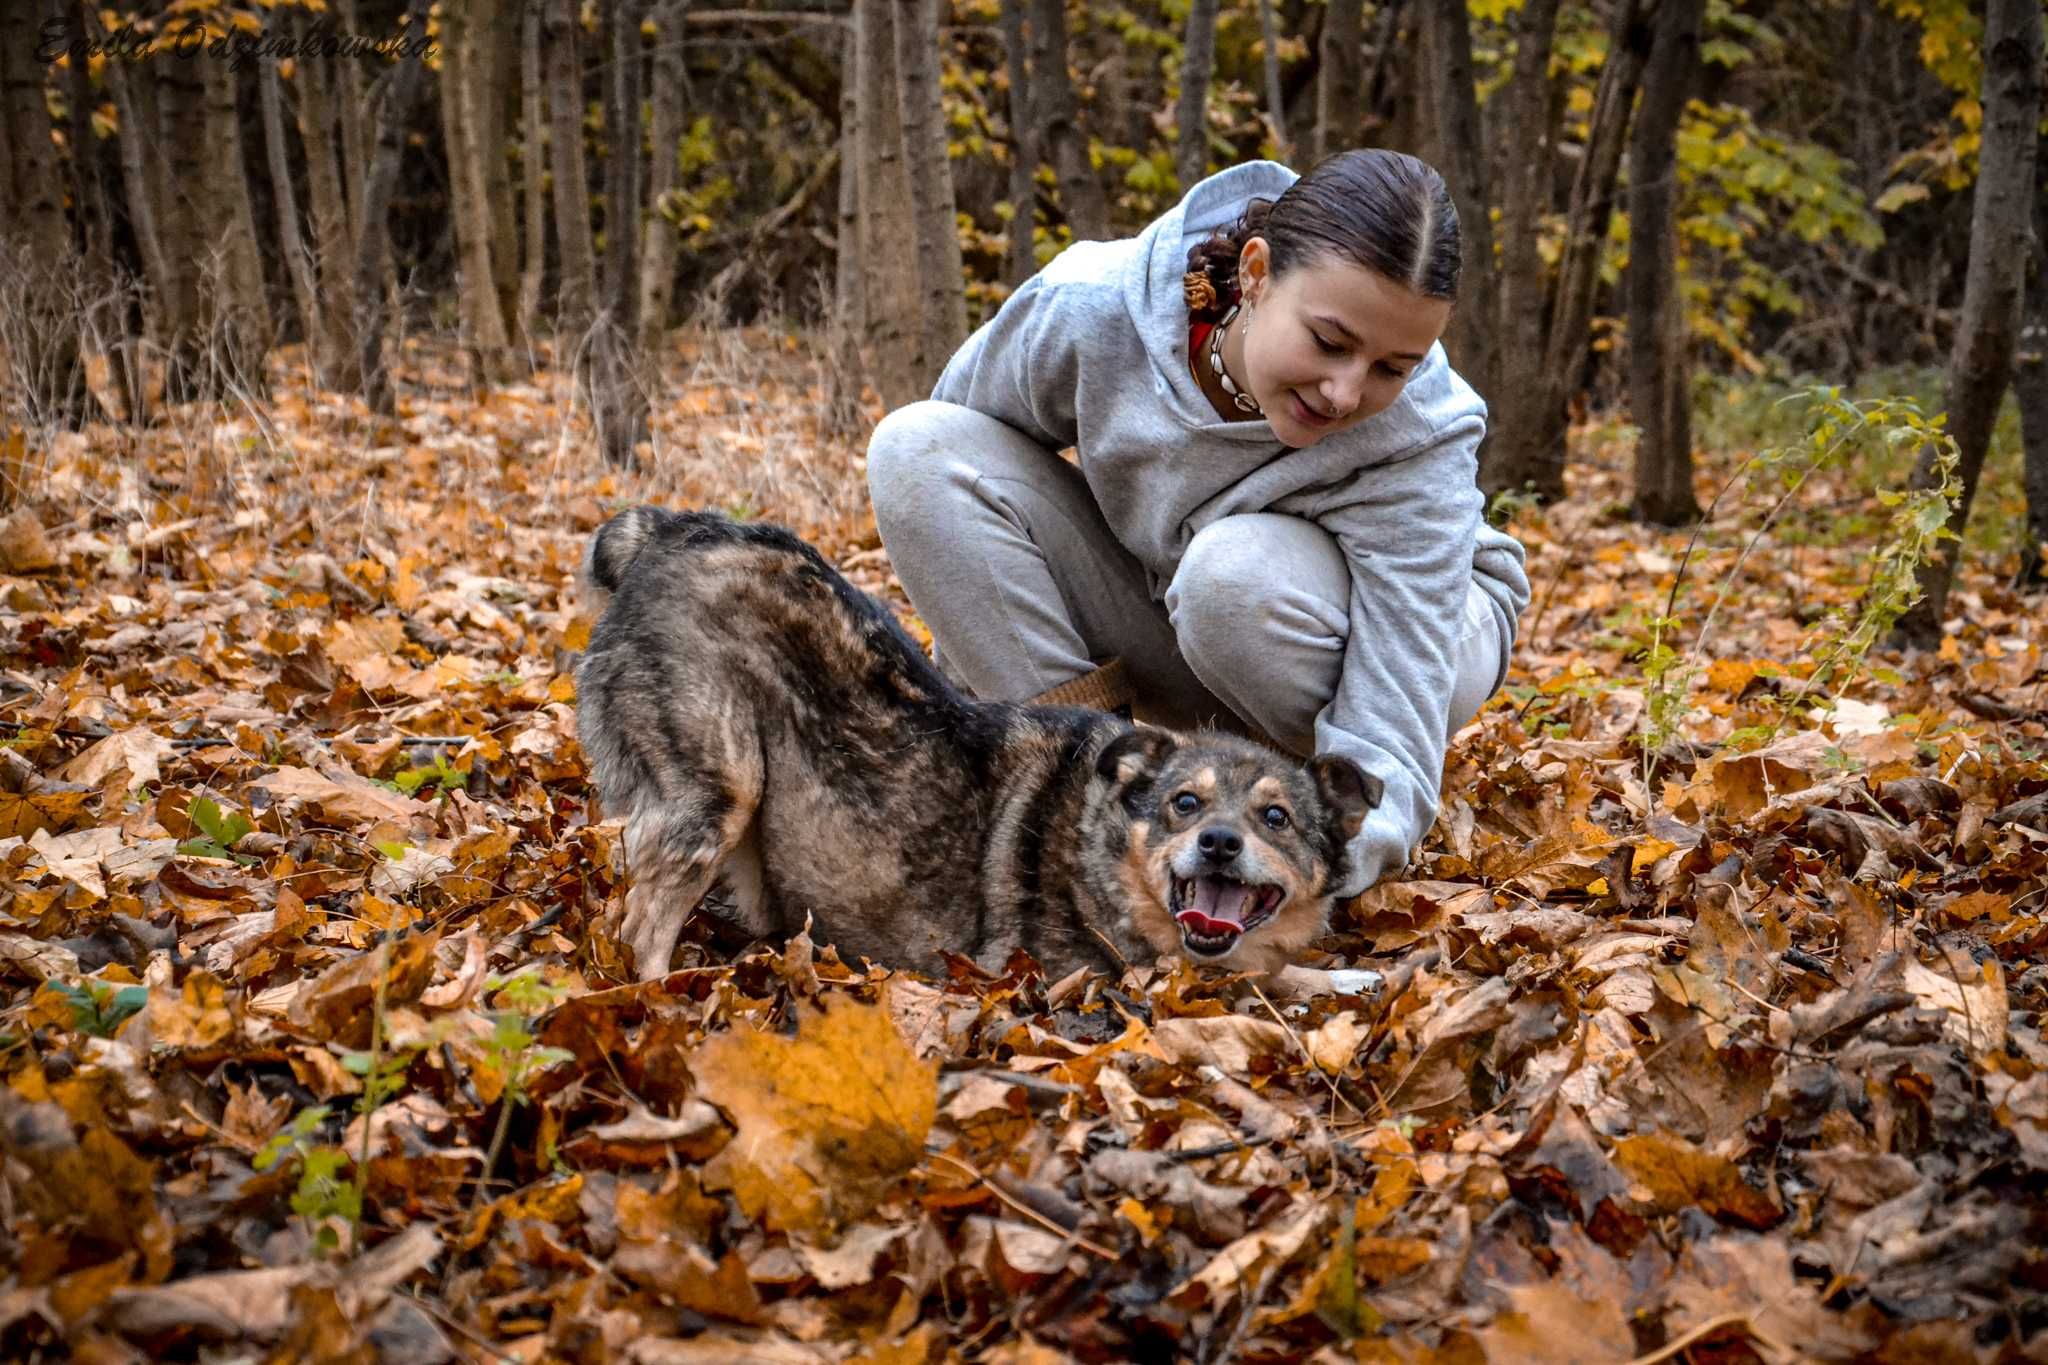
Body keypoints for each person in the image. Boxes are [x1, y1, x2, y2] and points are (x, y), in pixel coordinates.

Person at [865, 150, 1530, 899]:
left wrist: (1312, 874)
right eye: (1330, 341)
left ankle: (1280, 806)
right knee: (915, 444)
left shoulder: (1423, 430)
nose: (1346, 392)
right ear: (1254, 273)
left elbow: (1394, 710)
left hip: (1414, 631)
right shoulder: (1090, 308)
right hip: (1177, 610)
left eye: (1392, 368)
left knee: (1228, 579)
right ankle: (1096, 795)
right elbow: (959, 492)